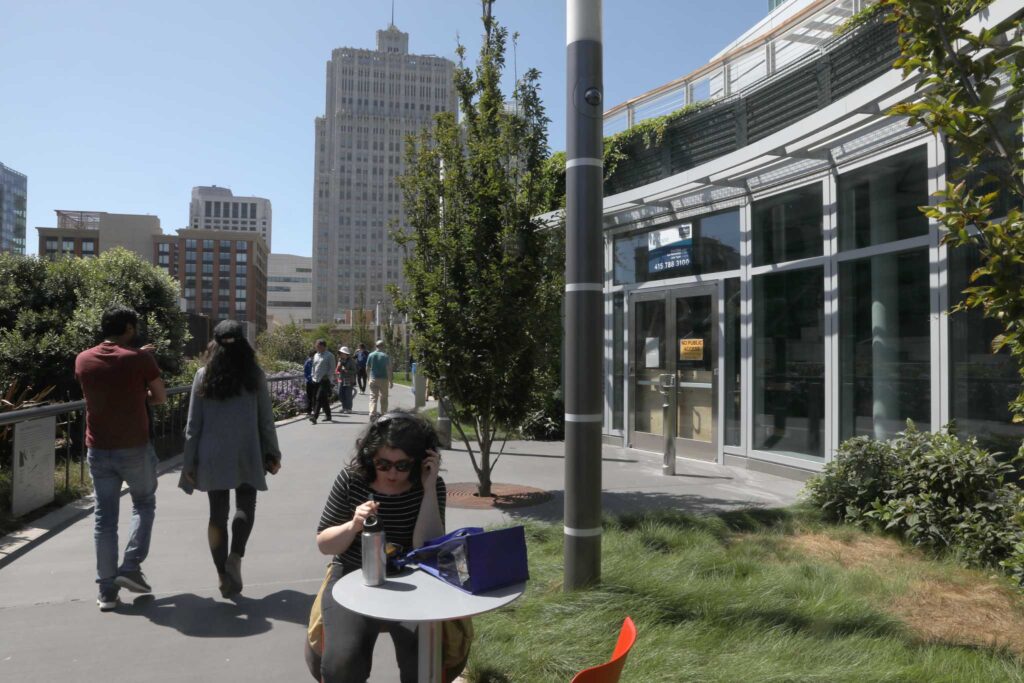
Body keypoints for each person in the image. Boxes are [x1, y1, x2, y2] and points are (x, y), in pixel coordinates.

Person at [314, 411, 445, 683]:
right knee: (343, 661)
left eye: (403, 465)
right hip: (353, 573)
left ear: (420, 461)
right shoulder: (352, 480)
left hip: (411, 577)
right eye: (383, 464)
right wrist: (353, 525)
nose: (393, 474)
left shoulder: (429, 484)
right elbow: (325, 544)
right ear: (370, 457)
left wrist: (429, 489)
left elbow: (428, 546)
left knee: (425, 657)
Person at [179, 320, 282, 598]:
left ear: (213, 344)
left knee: (217, 514)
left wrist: (188, 464)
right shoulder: (255, 375)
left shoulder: (203, 375)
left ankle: (222, 575)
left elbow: (193, 425)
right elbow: (266, 421)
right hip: (247, 450)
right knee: (246, 503)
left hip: (212, 455)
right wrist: (272, 452)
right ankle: (236, 556)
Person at [75, 306, 166, 611]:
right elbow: (160, 397)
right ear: (128, 327)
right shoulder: (141, 359)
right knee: (143, 503)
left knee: (105, 519)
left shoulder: (83, 359)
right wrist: (140, 395)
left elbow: (105, 384)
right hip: (135, 447)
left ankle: (106, 592)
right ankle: (130, 565)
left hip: (98, 449)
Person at [366, 340, 393, 422]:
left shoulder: (371, 355)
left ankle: (372, 413)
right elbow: (389, 369)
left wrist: (368, 378)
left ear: (376, 346)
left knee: (373, 397)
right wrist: (390, 381)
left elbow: (367, 367)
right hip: (383, 379)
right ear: (383, 346)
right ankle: (384, 414)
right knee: (384, 397)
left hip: (373, 378)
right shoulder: (385, 356)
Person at [310, 339, 336, 424]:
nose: (317, 348)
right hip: (316, 379)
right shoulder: (316, 355)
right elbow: (314, 366)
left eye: (318, 346)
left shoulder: (330, 355)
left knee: (318, 398)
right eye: (316, 346)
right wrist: (312, 375)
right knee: (323, 399)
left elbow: (332, 368)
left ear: (323, 346)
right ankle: (328, 415)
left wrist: (328, 376)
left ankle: (315, 417)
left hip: (324, 380)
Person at [336, 346, 358, 415]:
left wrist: (346, 371)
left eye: (343, 353)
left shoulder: (351, 361)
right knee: (340, 393)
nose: (341, 354)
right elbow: (338, 369)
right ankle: (344, 407)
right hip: (341, 378)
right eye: (341, 353)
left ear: (346, 354)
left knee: (347, 394)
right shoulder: (340, 360)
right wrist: (339, 368)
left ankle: (348, 408)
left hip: (349, 379)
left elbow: (355, 371)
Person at [303, 350, 316, 415]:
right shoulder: (307, 362)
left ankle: (315, 409)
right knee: (309, 396)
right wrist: (309, 378)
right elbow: (305, 372)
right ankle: (309, 410)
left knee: (315, 396)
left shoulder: (317, 362)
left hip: (316, 381)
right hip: (309, 381)